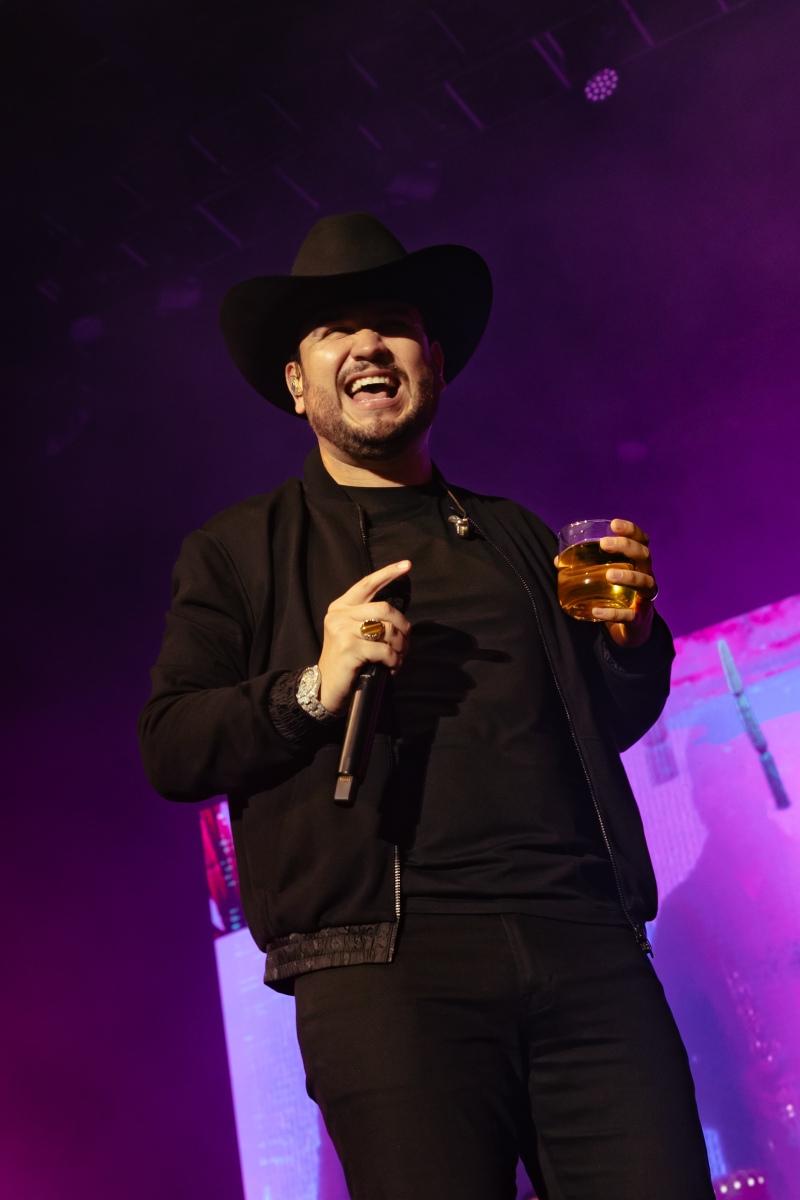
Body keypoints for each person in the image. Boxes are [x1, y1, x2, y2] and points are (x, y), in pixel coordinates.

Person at [139, 212, 714, 1200]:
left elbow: (598, 723)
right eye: (335, 331)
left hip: (585, 943)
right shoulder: (240, 551)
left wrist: (630, 642)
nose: (368, 345)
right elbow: (172, 745)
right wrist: (313, 686)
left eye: (392, 325)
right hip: (384, 968)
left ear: (433, 365)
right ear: (297, 382)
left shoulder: (516, 536)